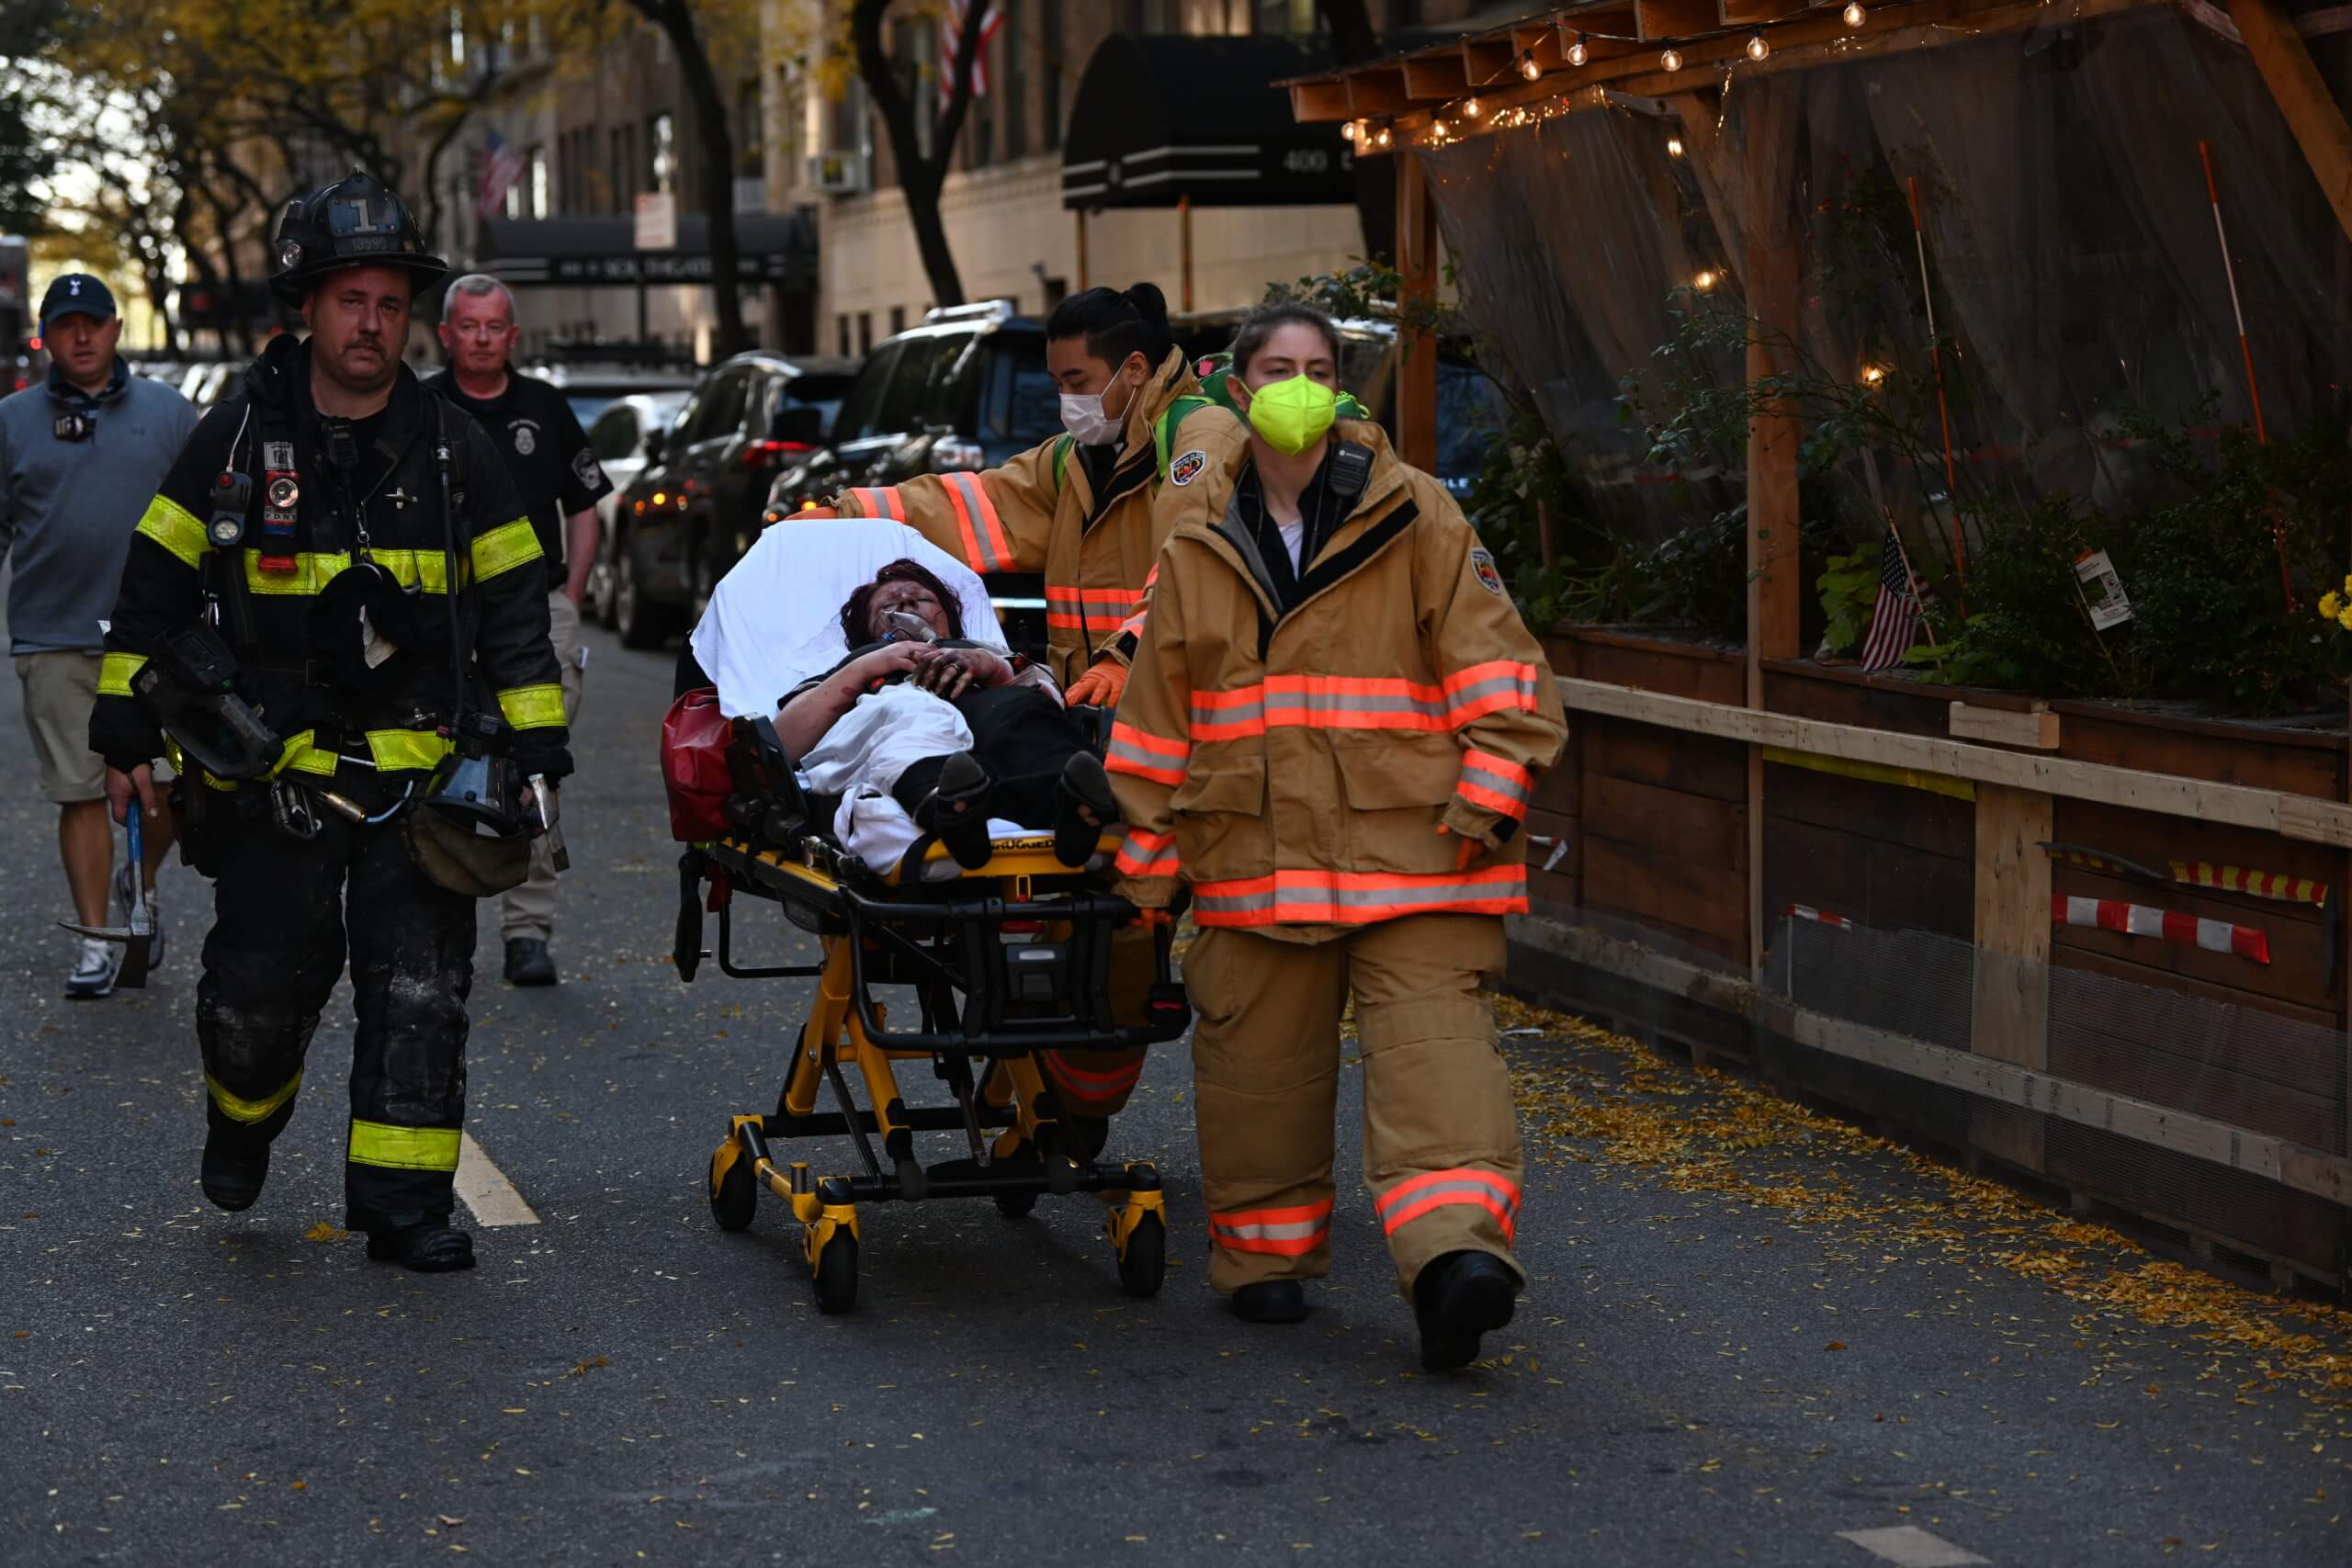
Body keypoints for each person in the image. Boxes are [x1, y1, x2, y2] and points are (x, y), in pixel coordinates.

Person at [88, 171, 570, 1273]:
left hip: (424, 781)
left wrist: (537, 743)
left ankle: (405, 1209)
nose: (372, 323)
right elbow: (155, 583)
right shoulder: (235, 440)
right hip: (274, 778)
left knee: (420, 998)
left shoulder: (455, 448)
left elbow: (514, 604)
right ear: (307, 305)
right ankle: (243, 1118)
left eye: (391, 303)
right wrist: (124, 730)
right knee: (254, 997)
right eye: (352, 299)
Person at [1105, 301, 1567, 1370]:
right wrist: (1143, 884)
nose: (1301, 386)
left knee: (1438, 1069)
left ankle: (1456, 1262)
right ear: (1236, 389)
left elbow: (1504, 675)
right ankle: (1264, 1260)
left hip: (1423, 854)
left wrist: (1484, 802)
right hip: (1256, 860)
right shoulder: (1197, 540)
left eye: (1318, 368)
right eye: (1279, 368)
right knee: (1257, 1077)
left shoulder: (1417, 513)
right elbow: (1156, 727)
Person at [819, 283, 1240, 702]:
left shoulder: (1201, 439)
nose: (1066, 400)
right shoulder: (1072, 459)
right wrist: (846, 515)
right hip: (1100, 705)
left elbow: (1193, 562)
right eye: (1058, 384)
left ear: (1135, 369)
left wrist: (1124, 655)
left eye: (1077, 381)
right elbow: (974, 506)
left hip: (1186, 702)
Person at [0, 274, 198, 998]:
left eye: (93, 322)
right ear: (46, 337)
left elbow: (207, 520)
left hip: (159, 641)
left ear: (116, 329)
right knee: (79, 791)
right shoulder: (11, 421)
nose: (81, 336)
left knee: (170, 790)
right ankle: (93, 939)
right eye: (65, 324)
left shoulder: (170, 412)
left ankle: (137, 884)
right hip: (53, 635)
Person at [424, 274, 612, 988]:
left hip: (539, 611)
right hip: (442, 615)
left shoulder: (544, 407)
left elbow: (585, 505)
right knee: (434, 761)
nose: (481, 338)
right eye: (468, 326)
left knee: (535, 763)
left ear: (513, 336)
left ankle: (528, 930)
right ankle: (436, 919)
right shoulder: (422, 407)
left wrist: (573, 596)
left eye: (493, 326)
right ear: (446, 335)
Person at [778, 558, 1115, 870]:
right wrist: (867, 665)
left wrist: (994, 668)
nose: (906, 603)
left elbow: (1056, 703)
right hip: (898, 713)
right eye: (888, 606)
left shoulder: (993, 653)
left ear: (948, 619)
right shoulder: (850, 667)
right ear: (866, 635)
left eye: (921, 599)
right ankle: (949, 809)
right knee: (912, 709)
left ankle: (1070, 809)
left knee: (1024, 709)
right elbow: (785, 742)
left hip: (985, 712)